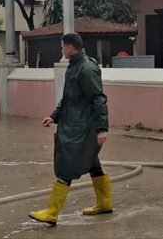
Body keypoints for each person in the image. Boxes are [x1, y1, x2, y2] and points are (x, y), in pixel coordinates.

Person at [29, 32, 111, 226]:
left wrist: (102, 128)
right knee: (93, 163)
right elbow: (69, 98)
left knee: (66, 164)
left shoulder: (86, 68)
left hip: (81, 127)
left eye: (62, 47)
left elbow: (98, 98)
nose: (61, 50)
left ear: (70, 48)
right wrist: (54, 115)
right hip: (76, 123)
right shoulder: (75, 66)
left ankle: (51, 212)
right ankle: (104, 203)